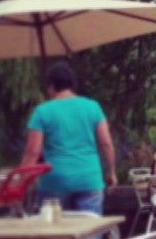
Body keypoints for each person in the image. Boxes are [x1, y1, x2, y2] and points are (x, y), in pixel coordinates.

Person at [21, 61, 117, 213]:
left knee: (55, 234)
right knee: (90, 232)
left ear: (51, 86)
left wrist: (23, 180)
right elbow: (106, 143)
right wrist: (111, 172)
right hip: (89, 179)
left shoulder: (42, 111)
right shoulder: (92, 107)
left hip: (55, 182)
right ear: (72, 84)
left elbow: (33, 151)